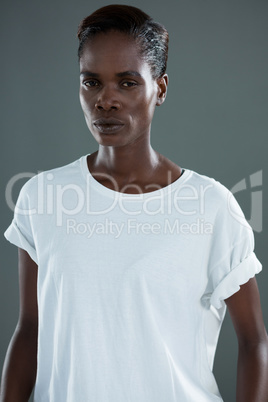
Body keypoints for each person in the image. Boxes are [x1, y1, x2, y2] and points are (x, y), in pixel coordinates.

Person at [1, 4, 267, 402]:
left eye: (127, 83)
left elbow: (254, 342)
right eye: (91, 82)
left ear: (159, 89)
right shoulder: (42, 197)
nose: (105, 100)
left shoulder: (210, 206)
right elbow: (30, 330)